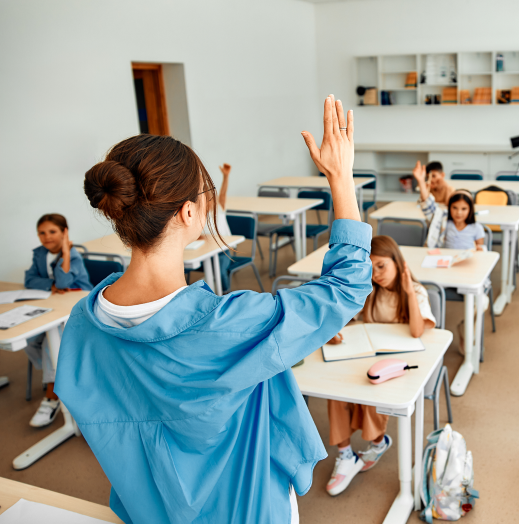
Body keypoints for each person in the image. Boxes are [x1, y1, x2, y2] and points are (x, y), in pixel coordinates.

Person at [55, 95, 371, 524]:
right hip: (248, 509)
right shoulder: (228, 325)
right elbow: (346, 286)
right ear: (189, 213)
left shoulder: (83, 323)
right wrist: (341, 178)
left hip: (151, 510)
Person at [325, 235, 436, 496]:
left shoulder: (417, 292)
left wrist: (409, 291)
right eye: (371, 268)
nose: (377, 274)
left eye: (382, 266)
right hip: (367, 355)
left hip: (399, 364)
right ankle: (345, 455)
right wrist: (336, 330)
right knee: (336, 390)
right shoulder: (370, 290)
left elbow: (417, 331)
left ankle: (377, 442)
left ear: (398, 263)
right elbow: (346, 316)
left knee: (369, 393)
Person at [23, 213, 92, 428]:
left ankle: (52, 394)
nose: (46, 237)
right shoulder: (39, 254)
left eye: (52, 232)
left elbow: (63, 281)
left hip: (77, 311)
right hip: (51, 306)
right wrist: (50, 286)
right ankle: (60, 377)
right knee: (29, 338)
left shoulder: (73, 255)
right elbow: (29, 280)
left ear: (64, 233)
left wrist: (65, 252)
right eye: (42, 233)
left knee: (48, 344)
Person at [199, 162, 233, 293]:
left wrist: (225, 177)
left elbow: (223, 193)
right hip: (206, 250)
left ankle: (225, 292)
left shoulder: (219, 208)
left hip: (223, 250)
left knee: (220, 269)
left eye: (210, 197)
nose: (209, 200)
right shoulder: (199, 216)